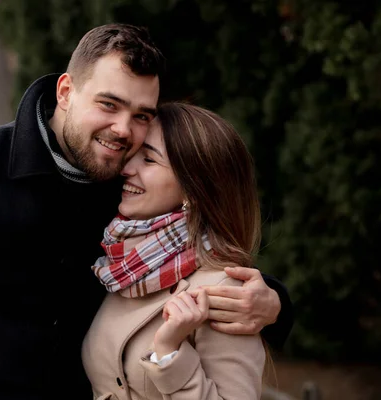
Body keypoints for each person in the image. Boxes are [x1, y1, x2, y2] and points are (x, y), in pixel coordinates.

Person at [0, 24, 292, 400]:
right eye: (109, 104)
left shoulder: (124, 186)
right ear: (66, 91)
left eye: (141, 114)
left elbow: (184, 254)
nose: (124, 130)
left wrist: (273, 302)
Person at [83, 102, 273, 400]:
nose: (127, 168)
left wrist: (169, 355)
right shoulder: (122, 266)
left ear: (192, 190)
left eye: (149, 160)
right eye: (135, 154)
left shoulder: (224, 290)